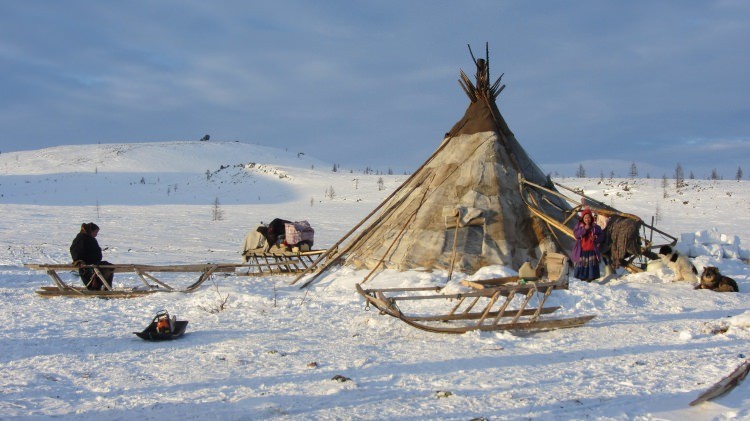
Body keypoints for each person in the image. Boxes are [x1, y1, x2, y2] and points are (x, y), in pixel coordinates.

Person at [70, 222, 114, 290]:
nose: (96, 234)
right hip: (86, 265)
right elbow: (75, 250)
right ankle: (96, 288)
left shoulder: (91, 238)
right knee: (103, 269)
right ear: (91, 231)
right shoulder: (81, 238)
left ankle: (107, 288)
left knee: (109, 267)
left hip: (95, 263)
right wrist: (78, 261)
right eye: (96, 232)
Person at [571, 209, 604, 282]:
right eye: (585, 218)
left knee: (591, 267)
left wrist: (595, 237)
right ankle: (581, 278)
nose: (587, 219)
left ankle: (590, 279)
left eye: (588, 217)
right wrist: (584, 230)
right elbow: (576, 235)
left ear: (591, 218)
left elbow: (601, 235)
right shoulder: (579, 226)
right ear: (583, 218)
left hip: (592, 250)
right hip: (582, 250)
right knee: (582, 265)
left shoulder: (595, 227)